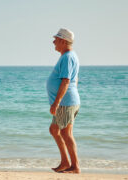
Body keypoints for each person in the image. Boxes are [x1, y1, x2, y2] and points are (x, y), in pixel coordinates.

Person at [46, 28, 81, 173]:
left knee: (66, 134)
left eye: (56, 39)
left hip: (65, 103)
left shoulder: (68, 57)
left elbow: (66, 81)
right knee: (54, 130)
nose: (53, 41)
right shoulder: (67, 56)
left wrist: (57, 102)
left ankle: (75, 166)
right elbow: (75, 79)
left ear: (63, 41)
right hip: (67, 101)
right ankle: (66, 162)